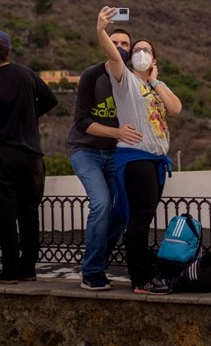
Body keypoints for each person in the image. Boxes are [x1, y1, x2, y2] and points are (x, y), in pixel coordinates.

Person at [96, 6, 183, 295]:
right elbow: (111, 54)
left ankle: (144, 273)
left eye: (147, 50)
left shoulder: (155, 86)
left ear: (154, 59)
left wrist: (156, 80)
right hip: (136, 158)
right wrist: (101, 29)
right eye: (137, 49)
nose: (141, 53)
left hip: (155, 160)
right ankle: (140, 278)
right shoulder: (125, 81)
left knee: (143, 217)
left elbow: (175, 108)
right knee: (140, 218)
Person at [0, 30, 58, 284]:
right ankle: (28, 266)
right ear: (8, 51)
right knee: (29, 212)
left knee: (6, 213)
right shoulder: (26, 74)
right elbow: (50, 100)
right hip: (31, 154)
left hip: (0, 155)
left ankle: (9, 269)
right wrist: (29, 117)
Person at [68, 27, 140, 291]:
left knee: (120, 213)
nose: (120, 46)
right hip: (85, 150)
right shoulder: (92, 76)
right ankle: (92, 271)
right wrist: (116, 132)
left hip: (116, 153)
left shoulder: (131, 79)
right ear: (105, 45)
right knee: (101, 203)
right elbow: (82, 121)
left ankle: (94, 259)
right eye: (115, 42)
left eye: (125, 43)